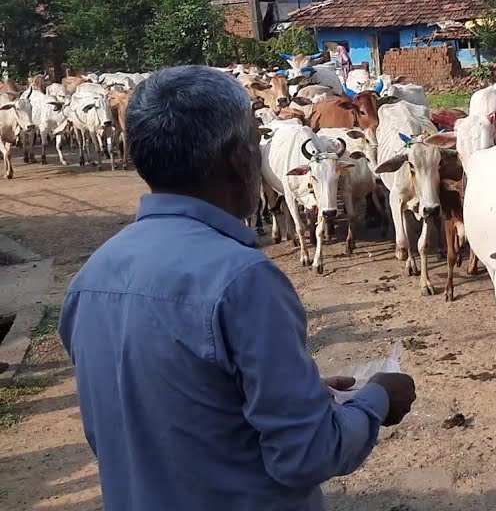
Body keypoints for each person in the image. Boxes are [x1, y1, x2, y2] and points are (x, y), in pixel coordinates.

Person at [58, 66, 417, 511]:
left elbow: (150, 415)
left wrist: (299, 395)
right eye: (254, 143)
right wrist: (378, 398)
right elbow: (308, 453)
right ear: (237, 158)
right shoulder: (242, 280)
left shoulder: (91, 279)